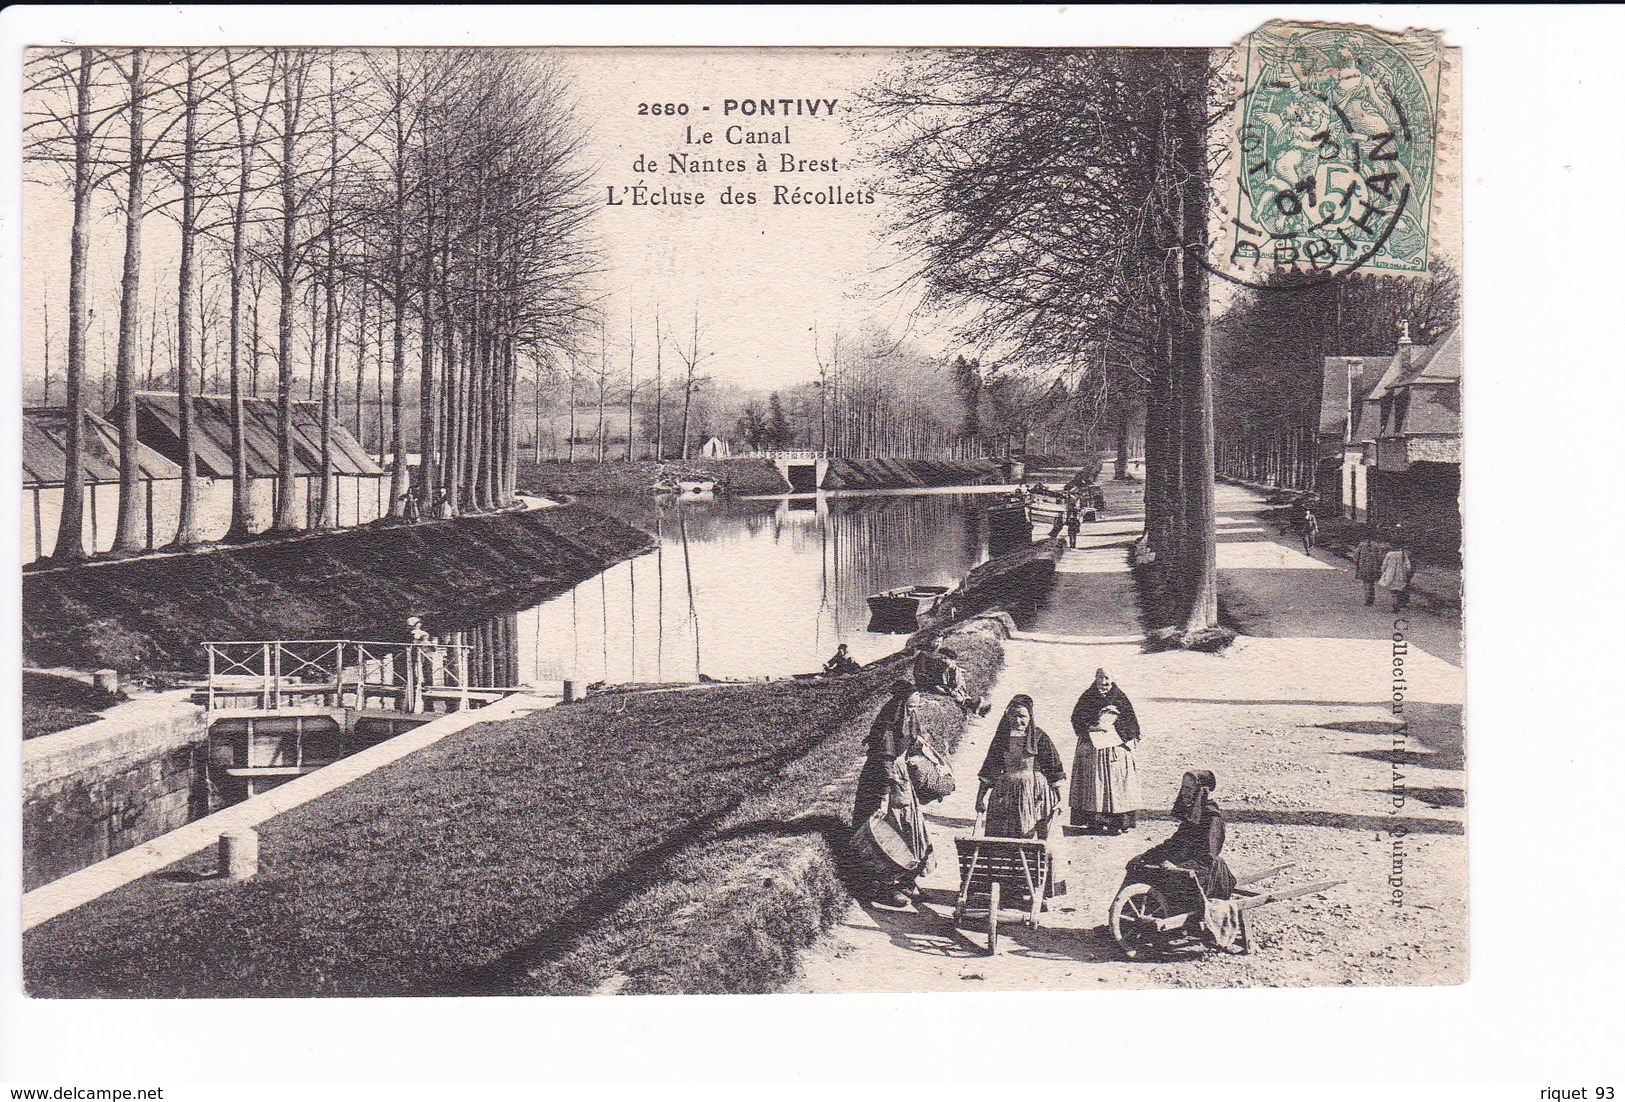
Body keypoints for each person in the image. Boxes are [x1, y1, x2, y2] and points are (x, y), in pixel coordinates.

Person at [850, 680, 933, 909]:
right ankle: (881, 886)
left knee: (909, 827)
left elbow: (912, 741)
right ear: (901, 705)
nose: (914, 711)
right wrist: (884, 796)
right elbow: (885, 760)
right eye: (911, 707)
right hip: (881, 780)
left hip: (900, 776)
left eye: (917, 707)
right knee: (886, 830)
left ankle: (906, 880)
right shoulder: (888, 725)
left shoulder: (909, 718)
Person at [1126, 770, 1236, 901]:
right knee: (1138, 867)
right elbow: (1174, 844)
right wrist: (1146, 856)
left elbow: (1207, 858)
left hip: (1204, 871)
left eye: (1189, 788)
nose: (1184, 792)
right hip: (1183, 863)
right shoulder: (1192, 815)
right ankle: (1126, 915)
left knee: (1168, 879)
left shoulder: (1212, 819)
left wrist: (1178, 868)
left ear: (1201, 791)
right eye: (1183, 787)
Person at [976, 695, 1066, 840]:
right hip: (1006, 791)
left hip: (1035, 792)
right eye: (1013, 716)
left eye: (1022, 716)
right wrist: (980, 799)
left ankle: (1038, 860)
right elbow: (990, 768)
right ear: (1007, 716)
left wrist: (1061, 799)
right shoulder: (1002, 738)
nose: (1018, 721)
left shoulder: (1040, 738)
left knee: (1034, 832)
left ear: (1030, 716)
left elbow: (1053, 768)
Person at [1070, 668, 1143, 833]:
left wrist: (1117, 728)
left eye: (1107, 678)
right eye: (1100, 678)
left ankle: (1118, 823)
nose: (1104, 682)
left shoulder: (1120, 697)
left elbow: (1131, 720)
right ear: (1095, 679)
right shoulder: (1087, 696)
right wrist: (1093, 726)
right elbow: (1076, 718)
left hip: (1115, 747)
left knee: (1117, 784)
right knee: (1093, 784)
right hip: (1093, 747)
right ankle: (1094, 822)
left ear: (1113, 679)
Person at [1378, 540, 1415, 612]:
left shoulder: (1389, 554)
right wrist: (1407, 572)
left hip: (1390, 574)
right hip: (1400, 574)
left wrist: (1383, 572)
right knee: (1399, 588)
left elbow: (1384, 565)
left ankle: (1395, 604)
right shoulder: (1403, 554)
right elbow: (1408, 565)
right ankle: (1398, 603)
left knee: (1393, 590)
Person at [1353, 534, 1387, 606]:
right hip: (1373, 567)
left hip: (1363, 567)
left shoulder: (1361, 546)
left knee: (1366, 583)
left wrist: (1357, 563)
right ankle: (1371, 598)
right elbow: (1380, 557)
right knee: (1371, 583)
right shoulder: (1376, 546)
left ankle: (1368, 598)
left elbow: (1355, 557)